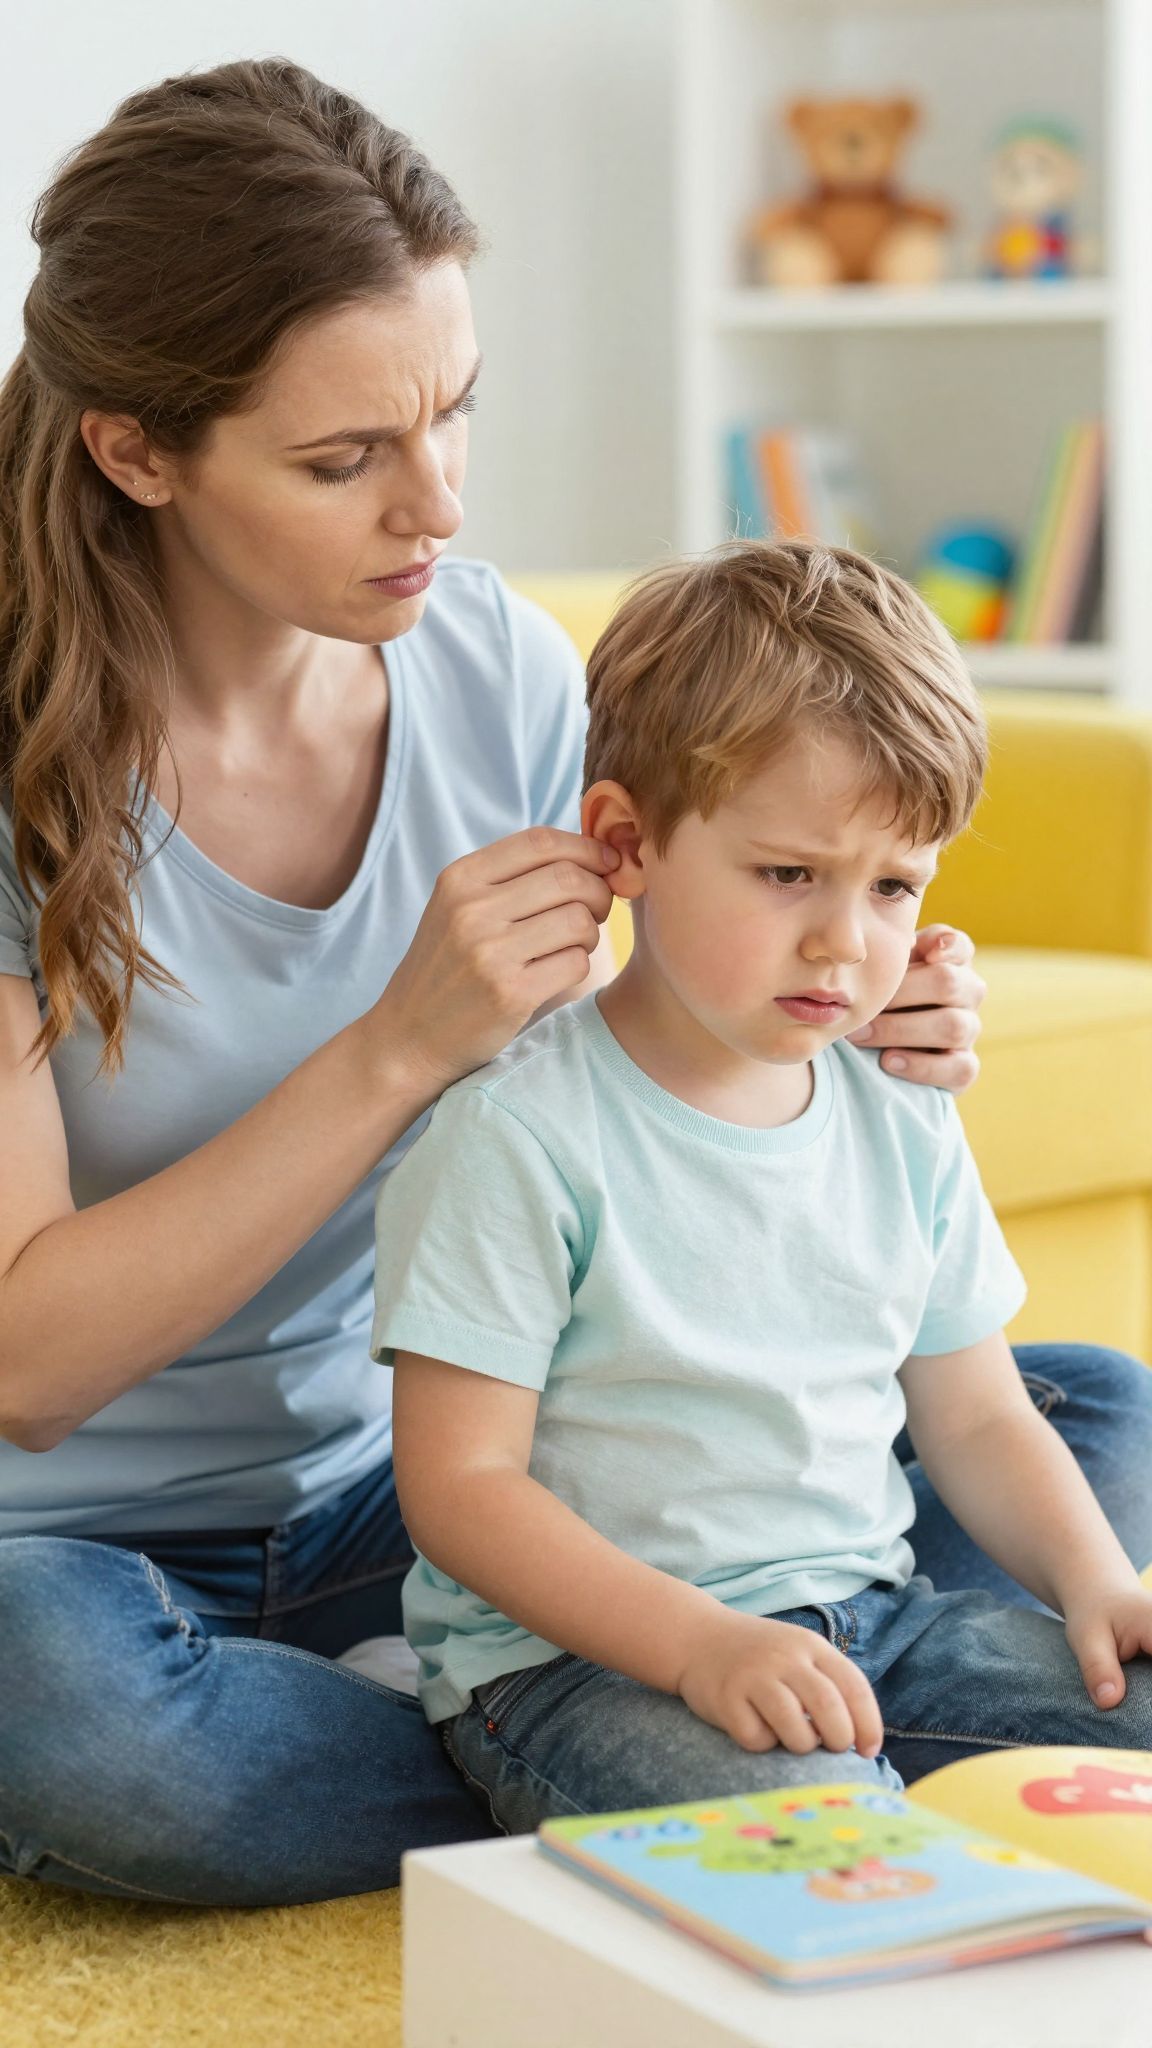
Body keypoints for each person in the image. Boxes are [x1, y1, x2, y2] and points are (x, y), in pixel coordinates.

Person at [0, 57, 1142, 1909]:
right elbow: (28, 1367)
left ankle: (654, 1737)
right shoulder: (19, 770)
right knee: (83, 1726)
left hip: (439, 1473)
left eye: (452, 412)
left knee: (1077, 1407)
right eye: (342, 457)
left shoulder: (498, 670)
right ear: (137, 450)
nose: (435, 505)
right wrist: (390, 1051)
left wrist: (866, 1014)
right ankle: (610, 1746)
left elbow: (651, 1073)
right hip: (89, 1546)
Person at [374, 539, 1152, 1830]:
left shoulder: (896, 1100)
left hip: (876, 1624)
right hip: (582, 1669)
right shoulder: (516, 1132)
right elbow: (461, 1491)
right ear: (626, 842)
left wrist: (1097, 1586)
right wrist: (702, 1648)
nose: (847, 941)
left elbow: (977, 1417)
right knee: (817, 1835)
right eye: (790, 873)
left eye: (894, 886)